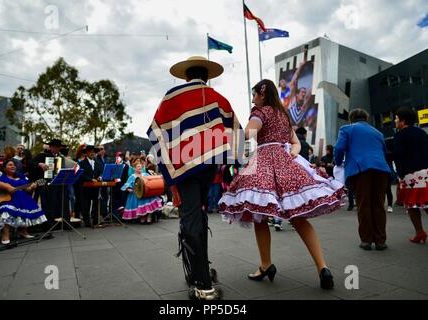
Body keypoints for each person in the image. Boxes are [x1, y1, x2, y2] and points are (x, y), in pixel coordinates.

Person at [219, 79, 344, 290]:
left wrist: (228, 133)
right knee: (298, 216)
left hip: (264, 161)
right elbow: (295, 143)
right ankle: (323, 267)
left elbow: (249, 133)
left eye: (254, 95)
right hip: (286, 161)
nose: (252, 99)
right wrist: (290, 155)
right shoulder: (283, 115)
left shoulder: (261, 112)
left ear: (262, 95)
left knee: (259, 213)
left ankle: (266, 264)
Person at [147, 56, 242, 300]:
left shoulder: (172, 97)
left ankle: (202, 284)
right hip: (208, 167)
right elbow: (236, 132)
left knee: (190, 216)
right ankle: (199, 270)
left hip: (183, 168)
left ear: (187, 76)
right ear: (207, 76)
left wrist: (168, 165)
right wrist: (230, 161)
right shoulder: (219, 99)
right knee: (198, 214)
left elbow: (156, 131)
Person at [334, 109, 391, 250]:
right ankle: (380, 240)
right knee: (379, 204)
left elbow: (339, 148)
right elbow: (384, 152)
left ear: (351, 119)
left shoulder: (346, 129)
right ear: (366, 118)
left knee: (364, 204)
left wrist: (338, 162)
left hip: (361, 169)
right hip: (381, 169)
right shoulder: (378, 133)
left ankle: (366, 240)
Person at [0, 159, 47, 243]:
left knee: (25, 204)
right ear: (4, 167)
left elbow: (27, 190)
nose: (13, 166)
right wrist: (6, 186)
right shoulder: (0, 174)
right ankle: (5, 234)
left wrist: (32, 187)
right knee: (6, 210)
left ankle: (23, 230)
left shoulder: (21, 176)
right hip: (4, 200)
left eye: (14, 165)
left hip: (22, 199)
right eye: (10, 165)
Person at [392, 107, 428, 244]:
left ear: (403, 121)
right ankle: (420, 233)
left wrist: (383, 155)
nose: (395, 121)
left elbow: (398, 154)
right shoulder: (422, 133)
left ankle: (420, 232)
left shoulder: (401, 135)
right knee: (426, 202)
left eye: (396, 118)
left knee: (412, 206)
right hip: (426, 172)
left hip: (412, 175)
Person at [80, 145, 104, 227]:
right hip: (86, 187)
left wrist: (100, 176)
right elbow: (81, 174)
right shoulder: (82, 163)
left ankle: (95, 220)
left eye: (93, 152)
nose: (92, 153)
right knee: (86, 204)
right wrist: (90, 179)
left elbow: (101, 172)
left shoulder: (97, 162)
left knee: (96, 203)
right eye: (90, 152)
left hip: (95, 187)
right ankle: (86, 221)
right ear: (86, 153)